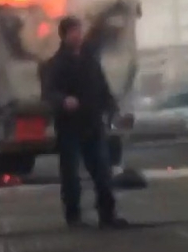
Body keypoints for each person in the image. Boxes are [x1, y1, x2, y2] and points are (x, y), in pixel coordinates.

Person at [42, 16, 129, 229]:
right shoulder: (55, 64)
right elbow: (48, 93)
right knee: (71, 175)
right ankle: (74, 217)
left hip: (93, 123)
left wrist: (113, 110)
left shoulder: (91, 61)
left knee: (102, 171)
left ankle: (107, 215)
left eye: (79, 31)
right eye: (73, 32)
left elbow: (102, 89)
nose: (78, 36)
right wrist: (63, 100)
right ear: (64, 35)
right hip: (69, 127)